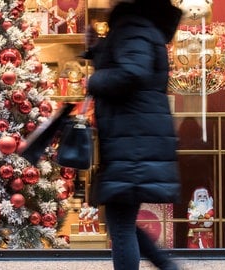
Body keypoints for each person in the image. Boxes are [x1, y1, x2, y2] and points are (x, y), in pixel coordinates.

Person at [85, 0, 182, 269]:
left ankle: (166, 265)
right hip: (133, 139)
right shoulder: (138, 28)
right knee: (119, 220)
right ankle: (166, 265)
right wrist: (96, 50)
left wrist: (92, 81)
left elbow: (132, 73)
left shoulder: (133, 27)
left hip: (133, 142)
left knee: (120, 224)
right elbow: (128, 65)